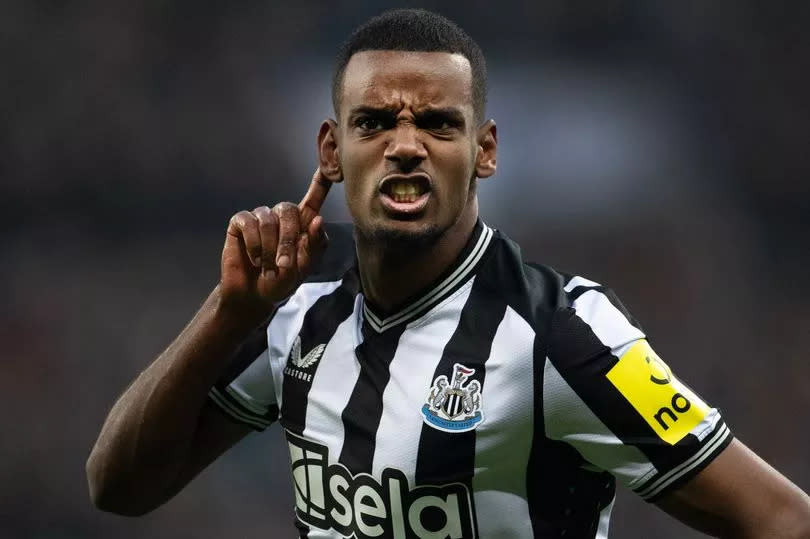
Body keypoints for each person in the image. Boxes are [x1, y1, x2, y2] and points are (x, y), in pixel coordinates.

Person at [86, 8, 810, 538]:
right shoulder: (293, 303)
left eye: (438, 123)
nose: (407, 146)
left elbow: (779, 516)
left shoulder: (561, 329)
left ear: (485, 150)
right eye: (374, 123)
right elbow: (116, 487)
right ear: (332, 152)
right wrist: (227, 312)